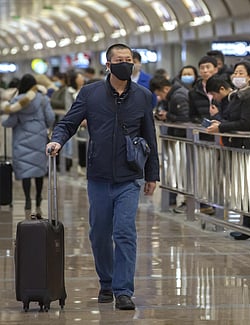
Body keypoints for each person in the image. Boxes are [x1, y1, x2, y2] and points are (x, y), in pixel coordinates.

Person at [45, 43, 159, 311]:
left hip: (130, 176)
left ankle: (123, 290)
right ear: (108, 65)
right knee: (99, 234)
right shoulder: (90, 93)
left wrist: (152, 174)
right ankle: (106, 281)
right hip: (98, 176)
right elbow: (68, 123)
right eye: (119, 60)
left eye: (129, 60)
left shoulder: (143, 96)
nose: (126, 64)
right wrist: (58, 140)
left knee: (124, 232)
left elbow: (150, 135)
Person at [205, 72, 250, 240]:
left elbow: (246, 123)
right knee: (245, 189)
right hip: (239, 147)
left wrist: (222, 127)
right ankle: (248, 225)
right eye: (235, 72)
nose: (236, 75)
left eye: (241, 72)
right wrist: (220, 122)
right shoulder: (235, 98)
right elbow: (231, 119)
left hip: (249, 147)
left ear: (249, 76)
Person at [2, 73, 55, 218]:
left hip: (21, 139)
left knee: (26, 170)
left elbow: (9, 122)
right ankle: (38, 197)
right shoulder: (43, 99)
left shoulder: (17, 102)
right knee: (38, 169)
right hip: (39, 138)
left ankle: (27, 199)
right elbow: (50, 118)